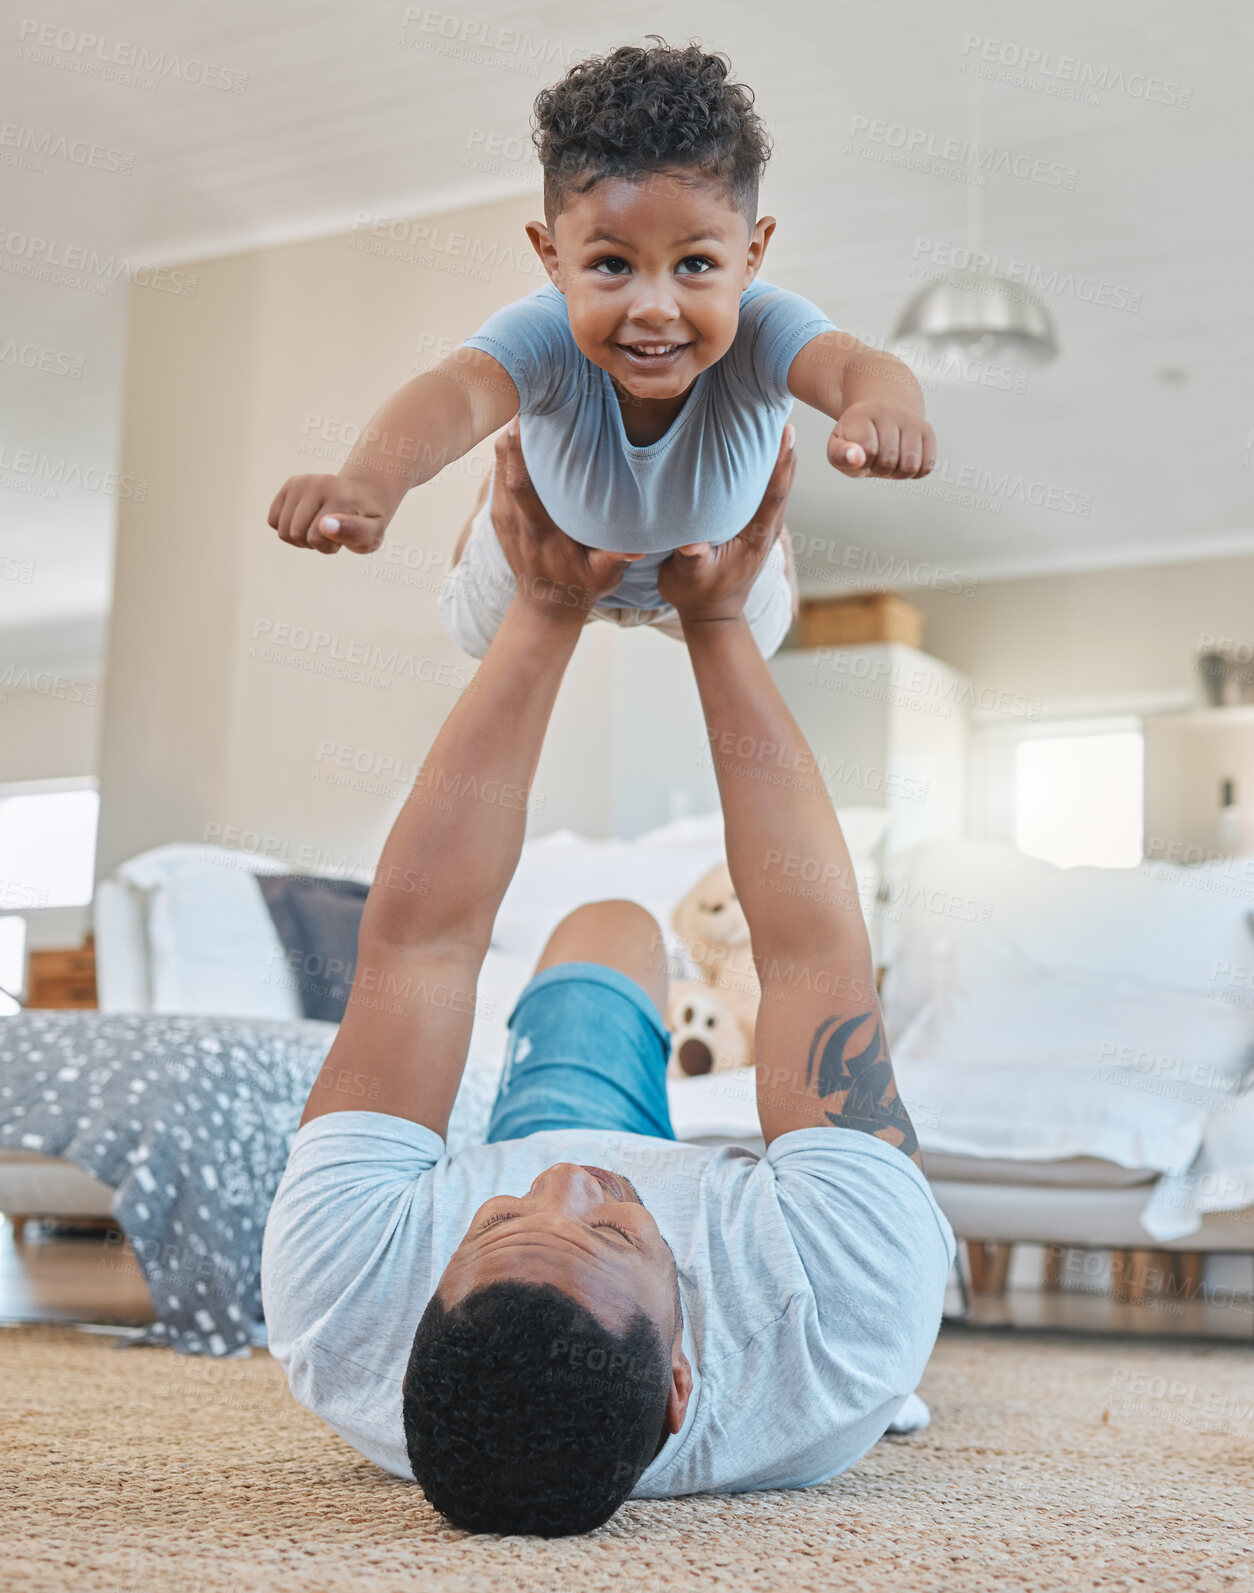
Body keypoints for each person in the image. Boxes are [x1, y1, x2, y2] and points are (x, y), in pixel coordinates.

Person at [261, 422, 955, 1538]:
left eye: (497, 1224)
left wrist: (542, 608)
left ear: (411, 1334)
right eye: (614, 1234)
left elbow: (421, 945)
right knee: (887, 1291)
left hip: (570, 1143)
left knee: (610, 923)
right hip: (774, 1245)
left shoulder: (342, 1303)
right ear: (684, 1386)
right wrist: (720, 621)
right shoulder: (844, 1314)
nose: (570, 1182)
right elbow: (815, 950)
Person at [266, 40, 936, 661]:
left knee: (763, 638)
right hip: (552, 545)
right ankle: (490, 501)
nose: (653, 305)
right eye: (613, 264)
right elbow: (455, 395)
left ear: (751, 255)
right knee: (471, 633)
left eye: (696, 264)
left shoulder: (765, 327)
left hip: (709, 559)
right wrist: (367, 482)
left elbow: (854, 365)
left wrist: (883, 403)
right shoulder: (544, 331)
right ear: (553, 258)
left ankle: (772, 536)